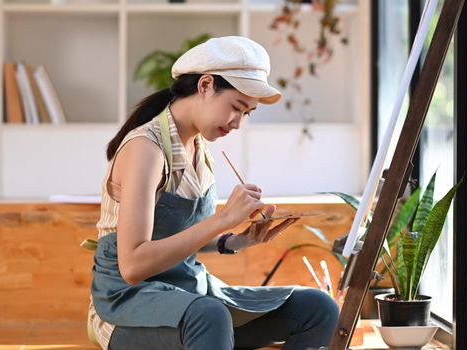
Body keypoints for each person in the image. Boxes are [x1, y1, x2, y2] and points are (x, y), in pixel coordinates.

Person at [87, 36, 339, 350]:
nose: (238, 123)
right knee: (210, 316)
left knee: (318, 308)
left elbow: (179, 233)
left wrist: (236, 239)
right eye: (236, 107)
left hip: (189, 297)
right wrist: (222, 220)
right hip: (126, 306)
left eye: (247, 114)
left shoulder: (201, 149)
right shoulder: (146, 150)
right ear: (205, 85)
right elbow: (134, 265)